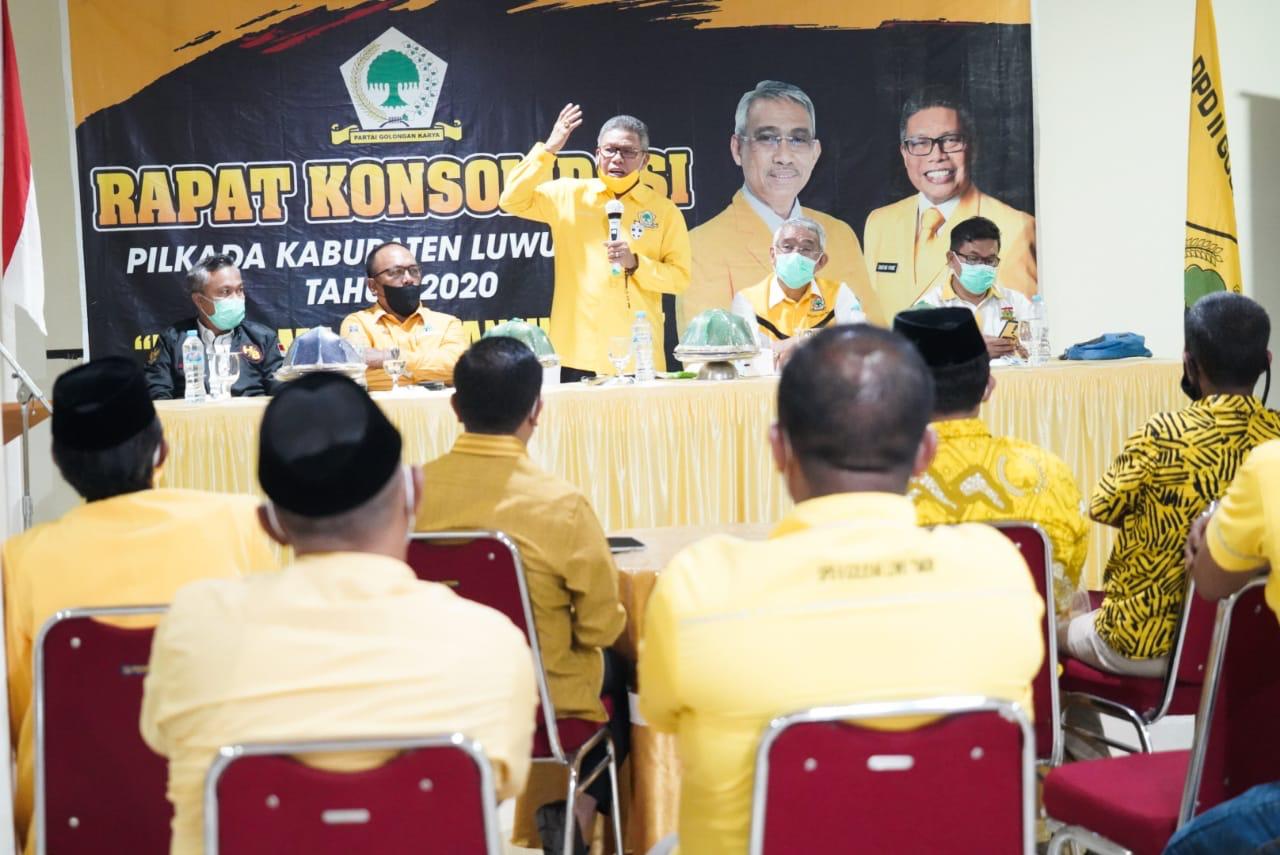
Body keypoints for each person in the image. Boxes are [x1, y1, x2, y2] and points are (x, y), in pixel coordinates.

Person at [639, 325, 1044, 855]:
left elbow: (662, 717)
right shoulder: (1001, 572)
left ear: (778, 449)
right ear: (925, 452)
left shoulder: (698, 587)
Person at [140, 373, 537, 855]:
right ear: (413, 491)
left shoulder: (193, 627)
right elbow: (494, 791)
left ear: (270, 525)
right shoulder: (491, 641)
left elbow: (162, 741)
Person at [3, 357, 279, 854]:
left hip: (70, 825)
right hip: (224, 818)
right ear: (162, 448)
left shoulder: (19, 560)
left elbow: (24, 717)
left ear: (63, 463)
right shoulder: (243, 523)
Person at [417, 336, 627, 850]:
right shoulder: (561, 504)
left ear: (456, 406)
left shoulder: (406, 494)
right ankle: (578, 812)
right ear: (538, 409)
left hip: (429, 700)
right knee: (627, 675)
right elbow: (602, 626)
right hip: (545, 713)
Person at [1063, 292, 1280, 678]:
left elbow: (1101, 507)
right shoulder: (1275, 439)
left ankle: (1069, 739)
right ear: (1266, 363)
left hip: (1144, 640)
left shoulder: (1161, 434)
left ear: (1189, 364)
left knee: (1057, 628)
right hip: (1249, 643)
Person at [896, 306, 1087, 615]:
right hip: (1024, 661)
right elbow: (1060, 599)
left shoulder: (872, 490)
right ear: (989, 386)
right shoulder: (1048, 474)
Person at [499, 105, 691, 380]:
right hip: (577, 352)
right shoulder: (569, 195)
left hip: (639, 353)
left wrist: (636, 263)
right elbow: (511, 200)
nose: (617, 159)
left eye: (627, 151)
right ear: (597, 153)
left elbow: (680, 278)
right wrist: (549, 149)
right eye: (610, 150)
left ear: (644, 160)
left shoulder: (663, 210)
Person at [682, 80, 885, 333]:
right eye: (767, 138)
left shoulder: (839, 234)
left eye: (798, 140)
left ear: (815, 152)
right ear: (737, 149)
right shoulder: (702, 245)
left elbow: (875, 339)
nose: (784, 156)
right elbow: (708, 355)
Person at [863, 86, 1037, 320]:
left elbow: (1018, 327)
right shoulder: (879, 222)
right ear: (904, 153)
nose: (937, 155)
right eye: (920, 143)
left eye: (951, 140)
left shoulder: (1018, 227)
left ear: (972, 148)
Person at [144, 253, 284, 398]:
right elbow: (157, 394)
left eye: (240, 290)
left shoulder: (263, 338)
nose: (236, 298)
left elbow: (282, 392)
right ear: (199, 300)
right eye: (225, 292)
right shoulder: (172, 340)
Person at [729, 216, 867, 360]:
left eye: (806, 249)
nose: (795, 255)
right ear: (773, 255)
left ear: (821, 261)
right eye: (787, 247)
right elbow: (748, 358)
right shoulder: (747, 300)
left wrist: (791, 343)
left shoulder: (839, 293)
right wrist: (820, 339)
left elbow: (859, 340)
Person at [340, 240, 468, 390]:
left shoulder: (447, 324)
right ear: (373, 286)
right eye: (396, 273)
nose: (408, 279)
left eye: (414, 271)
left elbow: (457, 369)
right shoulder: (357, 324)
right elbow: (361, 377)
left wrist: (389, 357)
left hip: (435, 412)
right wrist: (430, 371)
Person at [913, 216, 1032, 359]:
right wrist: (970, 350)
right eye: (973, 259)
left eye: (990, 260)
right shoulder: (929, 306)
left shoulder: (1016, 302)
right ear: (951, 259)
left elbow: (1037, 348)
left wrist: (1024, 350)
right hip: (958, 381)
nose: (982, 266)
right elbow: (914, 359)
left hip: (1008, 381)